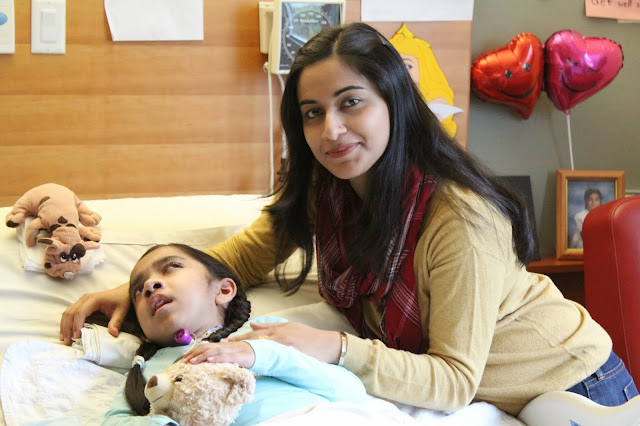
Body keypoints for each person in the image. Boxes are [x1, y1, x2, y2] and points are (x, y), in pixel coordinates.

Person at [62, 23, 638, 416]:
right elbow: (243, 258)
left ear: (394, 101)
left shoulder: (459, 219)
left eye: (351, 102)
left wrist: (333, 347)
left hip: (576, 386)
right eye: (313, 113)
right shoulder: (327, 189)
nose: (331, 130)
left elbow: (453, 381)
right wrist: (135, 287)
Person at [103, 243, 371, 425]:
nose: (150, 285)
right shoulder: (144, 372)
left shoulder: (265, 332)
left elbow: (352, 392)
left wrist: (261, 356)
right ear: (144, 333)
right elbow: (114, 421)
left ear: (223, 290)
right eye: (138, 290)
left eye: (171, 267)